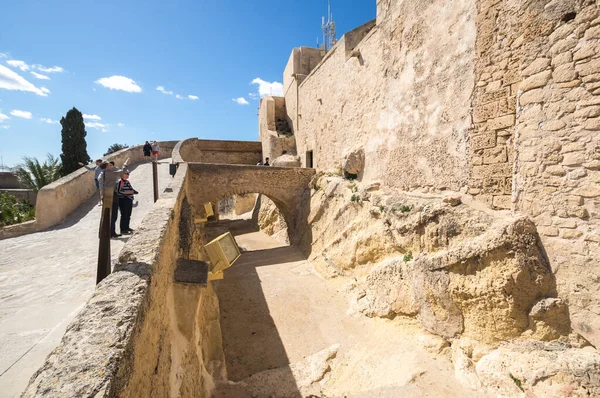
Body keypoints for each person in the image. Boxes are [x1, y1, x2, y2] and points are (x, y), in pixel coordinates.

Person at [98, 159, 130, 238]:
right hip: (111, 193)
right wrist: (125, 164)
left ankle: (105, 233)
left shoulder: (102, 173)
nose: (111, 166)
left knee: (106, 215)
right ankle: (111, 233)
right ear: (105, 167)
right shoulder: (109, 172)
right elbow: (122, 172)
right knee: (113, 215)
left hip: (106, 193)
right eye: (109, 165)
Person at [116, 170, 138, 235]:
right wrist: (127, 192)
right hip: (123, 200)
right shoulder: (120, 182)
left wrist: (134, 191)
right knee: (124, 214)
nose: (127, 175)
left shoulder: (127, 182)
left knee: (128, 214)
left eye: (128, 174)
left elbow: (131, 189)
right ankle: (123, 229)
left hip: (129, 199)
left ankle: (127, 227)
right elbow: (118, 191)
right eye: (126, 174)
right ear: (122, 175)